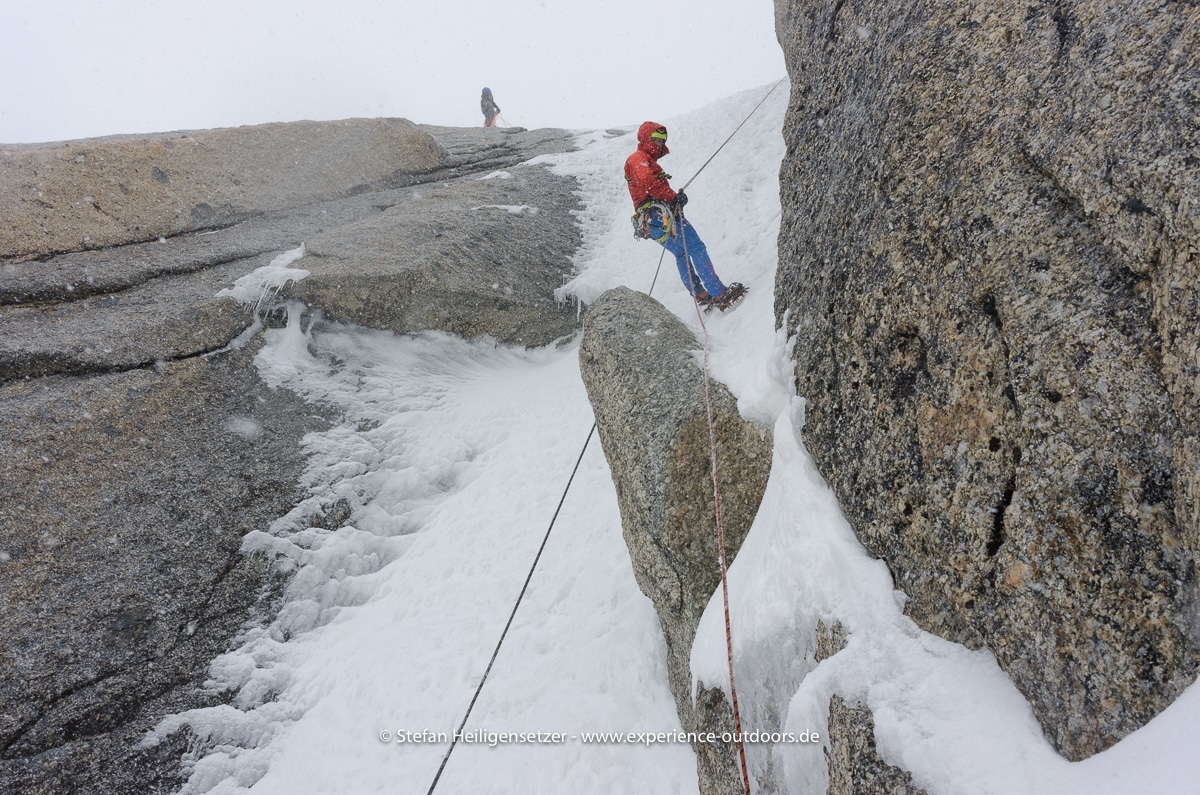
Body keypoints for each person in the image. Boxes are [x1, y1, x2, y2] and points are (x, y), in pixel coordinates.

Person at [624, 122, 744, 311]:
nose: (659, 144)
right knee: (696, 247)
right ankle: (719, 293)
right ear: (645, 139)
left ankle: (700, 294)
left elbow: (648, 187)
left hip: (649, 222)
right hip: (660, 215)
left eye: (661, 141)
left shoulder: (643, 161)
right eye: (655, 140)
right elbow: (648, 183)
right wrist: (673, 197)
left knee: (681, 252)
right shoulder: (637, 158)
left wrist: (673, 199)